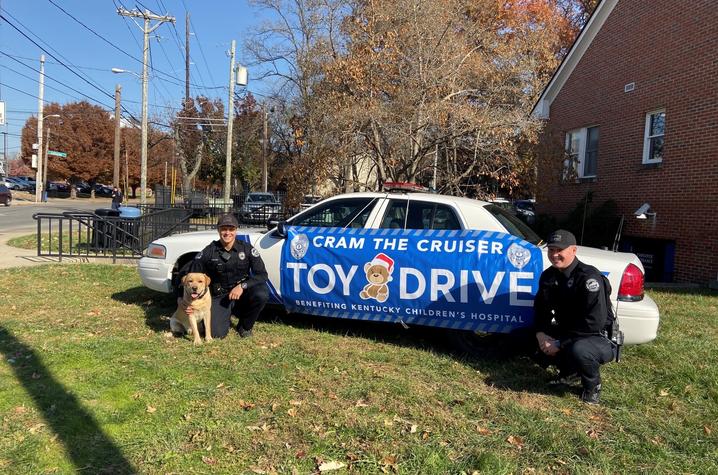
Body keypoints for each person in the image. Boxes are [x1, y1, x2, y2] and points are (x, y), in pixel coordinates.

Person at [533, 229, 616, 404]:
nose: (554, 255)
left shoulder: (588, 278)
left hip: (597, 337)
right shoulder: (548, 276)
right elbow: (541, 309)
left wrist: (559, 343)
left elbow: (594, 323)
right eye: (551, 250)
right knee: (524, 336)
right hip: (569, 331)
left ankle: (592, 387)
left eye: (559, 250)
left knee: (580, 350)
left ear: (573, 250)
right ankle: (569, 373)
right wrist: (541, 334)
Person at [182, 213, 269, 339]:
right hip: (220, 296)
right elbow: (189, 276)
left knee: (261, 294)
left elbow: (262, 275)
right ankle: (224, 316)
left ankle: (245, 326)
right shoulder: (209, 251)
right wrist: (183, 301)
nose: (227, 232)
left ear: (236, 230)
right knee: (216, 334)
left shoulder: (246, 249)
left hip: (241, 293)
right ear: (218, 230)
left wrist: (242, 286)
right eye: (224, 229)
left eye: (231, 229)